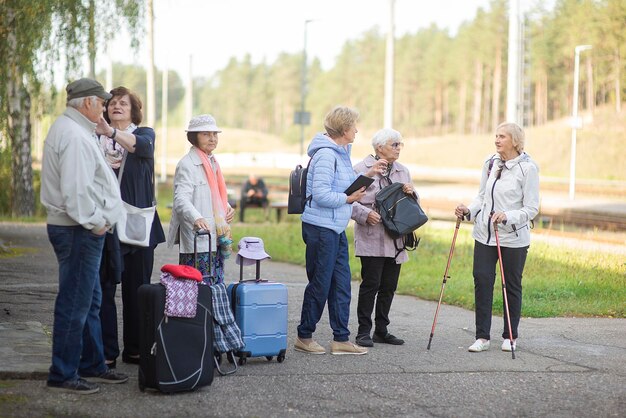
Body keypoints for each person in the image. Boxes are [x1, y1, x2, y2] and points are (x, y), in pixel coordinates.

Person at [40, 77, 129, 394]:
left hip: (79, 228)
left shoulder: (76, 130)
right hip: (79, 229)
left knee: (89, 300)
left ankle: (91, 363)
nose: (106, 107)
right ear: (88, 103)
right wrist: (96, 223)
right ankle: (63, 373)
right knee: (75, 303)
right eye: (102, 102)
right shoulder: (75, 136)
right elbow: (76, 192)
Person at [294, 105, 387, 356]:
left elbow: (342, 185)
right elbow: (322, 194)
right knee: (321, 284)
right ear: (345, 129)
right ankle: (304, 336)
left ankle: (341, 339)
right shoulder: (326, 155)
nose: (357, 130)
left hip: (335, 227)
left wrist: (367, 174)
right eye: (354, 126)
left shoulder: (342, 152)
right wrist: (348, 200)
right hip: (321, 228)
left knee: (341, 284)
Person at [95, 86, 166, 367]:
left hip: (138, 226)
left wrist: (110, 133)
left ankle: (136, 349)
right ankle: (107, 352)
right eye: (111, 103)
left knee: (138, 290)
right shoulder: (93, 139)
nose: (116, 106)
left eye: (123, 103)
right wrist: (102, 133)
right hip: (105, 224)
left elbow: (142, 148)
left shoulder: (144, 133)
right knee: (104, 289)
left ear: (133, 109)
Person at [454, 122, 539, 353]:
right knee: (482, 282)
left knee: (511, 285)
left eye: (502, 136)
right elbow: (481, 197)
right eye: (496, 136)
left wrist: (507, 216)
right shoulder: (490, 163)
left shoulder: (528, 169)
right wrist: (469, 211)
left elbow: (532, 208)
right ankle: (482, 337)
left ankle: (510, 336)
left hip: (512, 238)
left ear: (515, 140)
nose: (497, 140)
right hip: (484, 235)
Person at [351, 128, 416, 348]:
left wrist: (411, 193)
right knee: (371, 284)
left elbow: (413, 204)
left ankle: (382, 330)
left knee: (389, 286)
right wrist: (365, 214)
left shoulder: (403, 171)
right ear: (379, 147)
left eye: (400, 144)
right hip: (372, 235)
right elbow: (348, 200)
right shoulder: (361, 169)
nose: (398, 148)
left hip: (396, 237)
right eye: (394, 144)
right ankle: (363, 332)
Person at [168, 114, 236, 284]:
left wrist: (226, 207)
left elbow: (212, 194)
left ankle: (212, 312)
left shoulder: (212, 162)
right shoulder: (187, 164)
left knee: (214, 282)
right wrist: (196, 217)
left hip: (215, 236)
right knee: (197, 286)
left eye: (214, 134)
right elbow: (181, 199)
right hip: (198, 237)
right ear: (194, 137)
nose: (212, 139)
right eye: (206, 134)